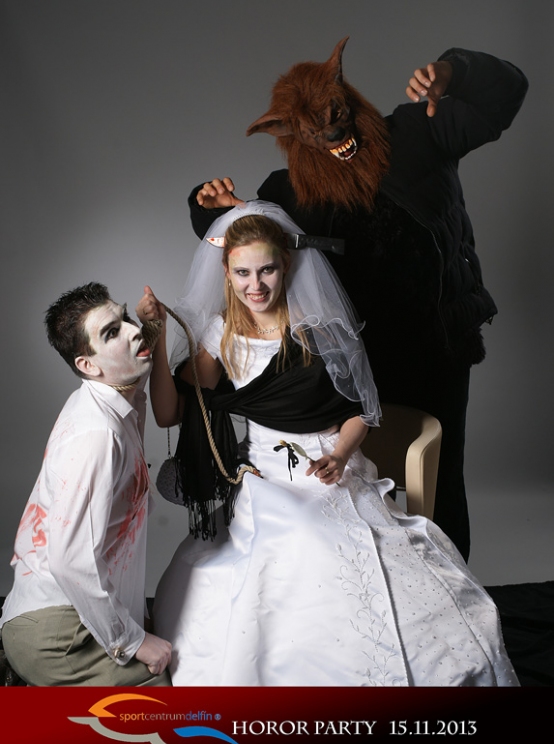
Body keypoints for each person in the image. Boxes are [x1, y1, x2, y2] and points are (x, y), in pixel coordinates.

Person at [137, 202, 517, 686]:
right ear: (227, 274)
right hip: (261, 474)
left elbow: (362, 411)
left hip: (327, 464)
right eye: (243, 273)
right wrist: (158, 334)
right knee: (281, 542)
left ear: (286, 264)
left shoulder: (315, 327)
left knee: (327, 544)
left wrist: (339, 454)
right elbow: (170, 413)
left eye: (267, 270)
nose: (256, 285)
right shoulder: (221, 332)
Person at [187, 43, 528, 561]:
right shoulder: (286, 191)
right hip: (344, 367)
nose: (331, 136)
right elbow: (249, 244)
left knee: (439, 478)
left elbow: (508, 91)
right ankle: (371, 595)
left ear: (346, 96)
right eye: (314, 131)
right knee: (352, 491)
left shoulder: (418, 132)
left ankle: (450, 588)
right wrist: (211, 207)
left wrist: (453, 73)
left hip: (435, 349)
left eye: (335, 117)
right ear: (289, 134)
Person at [0, 283, 172, 686]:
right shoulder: (97, 435)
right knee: (163, 696)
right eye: (112, 333)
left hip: (68, 610)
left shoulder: (107, 401)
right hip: (56, 633)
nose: (132, 331)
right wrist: (132, 641)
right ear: (87, 365)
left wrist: (152, 330)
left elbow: (135, 395)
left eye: (125, 318)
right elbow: (69, 560)